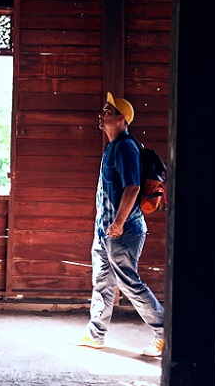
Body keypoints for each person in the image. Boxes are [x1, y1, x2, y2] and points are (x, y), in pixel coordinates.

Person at [75, 92, 165, 357]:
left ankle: (165, 332)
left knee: (129, 283)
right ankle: (95, 335)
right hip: (106, 230)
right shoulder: (113, 146)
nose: (101, 115)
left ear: (121, 119)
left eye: (108, 111)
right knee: (102, 281)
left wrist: (118, 223)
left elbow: (133, 187)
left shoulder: (125, 147)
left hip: (123, 231)